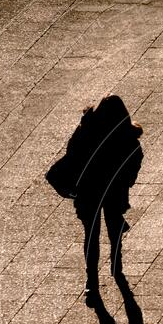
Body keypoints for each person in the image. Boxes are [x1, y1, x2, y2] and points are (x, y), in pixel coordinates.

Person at [64, 94, 143, 306]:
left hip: (93, 191)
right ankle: (115, 266)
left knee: (92, 236)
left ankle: (92, 281)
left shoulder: (88, 129)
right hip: (105, 190)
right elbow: (136, 159)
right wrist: (127, 180)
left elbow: (71, 154)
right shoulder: (124, 133)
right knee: (111, 229)